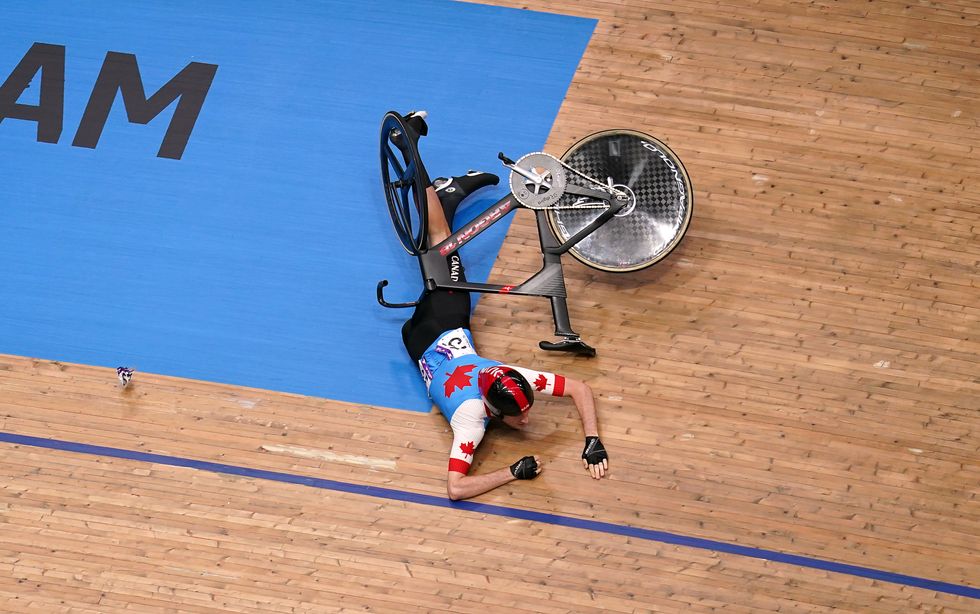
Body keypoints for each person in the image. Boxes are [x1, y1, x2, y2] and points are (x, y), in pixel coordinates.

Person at [394, 111, 609, 501]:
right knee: (441, 242)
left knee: (441, 247)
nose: (527, 419)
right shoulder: (470, 420)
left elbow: (580, 389)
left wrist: (593, 439)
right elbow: (455, 490)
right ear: (492, 410)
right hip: (436, 328)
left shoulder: (505, 383)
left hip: (436, 327)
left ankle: (445, 193)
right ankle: (412, 149)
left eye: (524, 411)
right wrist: (511, 473)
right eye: (520, 414)